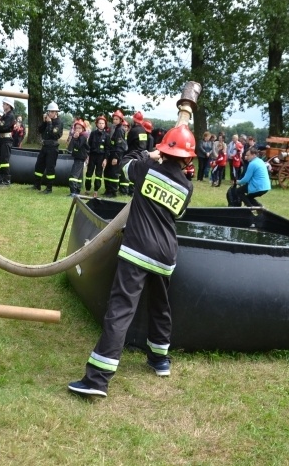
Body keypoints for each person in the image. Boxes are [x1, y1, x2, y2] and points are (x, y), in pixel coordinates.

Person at [68, 124, 195, 398]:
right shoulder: (187, 187)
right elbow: (177, 213)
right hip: (166, 255)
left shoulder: (146, 169)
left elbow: (124, 164)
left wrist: (149, 155)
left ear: (164, 150)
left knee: (120, 310)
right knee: (161, 307)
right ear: (188, 158)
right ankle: (160, 359)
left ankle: (97, 380)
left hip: (137, 249)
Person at [33, 101, 63, 194]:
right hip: (44, 146)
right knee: (39, 166)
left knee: (50, 168)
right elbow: (40, 130)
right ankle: (36, 185)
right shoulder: (47, 120)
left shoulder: (58, 123)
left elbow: (53, 134)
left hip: (52, 148)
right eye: (49, 111)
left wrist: (49, 123)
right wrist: (44, 122)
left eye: (52, 112)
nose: (50, 113)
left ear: (56, 112)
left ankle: (49, 188)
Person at [103, 109, 127, 197]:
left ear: (121, 120)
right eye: (114, 119)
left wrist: (116, 157)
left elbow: (120, 145)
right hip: (111, 153)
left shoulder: (120, 130)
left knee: (113, 174)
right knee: (107, 172)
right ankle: (108, 190)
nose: (114, 121)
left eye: (117, 119)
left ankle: (113, 192)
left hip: (116, 154)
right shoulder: (114, 128)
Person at [0, 97, 16, 187]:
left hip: (6, 140)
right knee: (0, 159)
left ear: (8, 105)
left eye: (4, 104)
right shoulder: (5, 115)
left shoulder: (10, 116)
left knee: (5, 160)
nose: (2, 105)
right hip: (2, 139)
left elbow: (2, 126)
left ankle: (6, 180)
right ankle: (0, 179)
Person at [84, 116, 109, 196]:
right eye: (100, 123)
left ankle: (96, 191)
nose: (101, 125)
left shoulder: (107, 135)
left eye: (103, 123)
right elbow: (89, 145)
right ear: (97, 124)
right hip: (92, 156)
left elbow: (107, 149)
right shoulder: (93, 134)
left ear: (105, 124)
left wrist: (105, 159)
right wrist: (87, 156)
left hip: (101, 157)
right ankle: (87, 189)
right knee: (89, 174)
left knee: (98, 175)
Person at [67, 120, 89, 196]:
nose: (77, 130)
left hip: (80, 158)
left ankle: (73, 192)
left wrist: (75, 138)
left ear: (83, 129)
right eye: (76, 128)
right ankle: (77, 191)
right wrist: (74, 138)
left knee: (73, 175)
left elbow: (78, 145)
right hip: (77, 157)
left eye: (79, 128)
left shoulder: (83, 137)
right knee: (79, 176)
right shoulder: (77, 136)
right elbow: (70, 147)